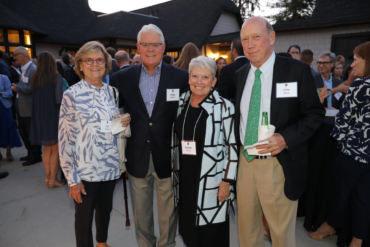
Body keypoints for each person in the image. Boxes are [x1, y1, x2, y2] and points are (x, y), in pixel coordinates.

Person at [235, 17, 325, 247]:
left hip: (278, 162)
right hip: (245, 162)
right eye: (245, 39)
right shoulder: (239, 74)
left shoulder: (297, 71)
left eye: (256, 37)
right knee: (246, 229)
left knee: (280, 234)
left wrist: (286, 138)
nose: (250, 44)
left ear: (271, 37)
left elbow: (314, 114)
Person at [110, 24, 189, 247]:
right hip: (138, 155)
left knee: (168, 212)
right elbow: (116, 110)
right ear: (138, 47)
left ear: (164, 48)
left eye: (155, 44)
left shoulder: (181, 78)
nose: (150, 49)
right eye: (145, 44)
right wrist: (120, 118)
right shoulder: (123, 78)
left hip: (169, 155)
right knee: (141, 214)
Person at [59, 41, 131, 247]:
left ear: (106, 64)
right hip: (85, 169)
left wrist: (122, 121)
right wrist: (72, 178)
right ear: (80, 65)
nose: (95, 64)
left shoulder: (112, 92)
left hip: (109, 165)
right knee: (83, 219)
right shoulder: (71, 95)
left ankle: (102, 242)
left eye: (100, 60)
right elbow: (65, 139)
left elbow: (112, 127)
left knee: (105, 210)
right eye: (88, 60)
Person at [309, 41, 370, 247]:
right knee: (363, 199)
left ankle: (328, 227)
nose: (352, 65)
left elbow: (342, 123)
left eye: (356, 59)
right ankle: (357, 240)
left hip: (352, 152)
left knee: (339, 192)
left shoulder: (361, 86)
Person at [172, 56, 237, 246]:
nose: (199, 82)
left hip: (212, 179)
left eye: (205, 77)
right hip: (185, 177)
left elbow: (233, 147)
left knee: (210, 232)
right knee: (188, 229)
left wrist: (227, 181)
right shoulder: (181, 102)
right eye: (195, 76)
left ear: (214, 81)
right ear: (188, 78)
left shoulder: (224, 107)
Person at [30, 51, 65, 189]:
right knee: (55, 149)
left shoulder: (35, 77)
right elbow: (58, 99)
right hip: (53, 114)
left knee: (47, 149)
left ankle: (48, 177)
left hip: (39, 115)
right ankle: (53, 179)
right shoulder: (56, 77)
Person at [12, 46, 42, 166]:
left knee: (32, 133)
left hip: (29, 107)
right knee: (24, 132)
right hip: (22, 105)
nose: (14, 58)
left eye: (16, 55)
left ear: (24, 55)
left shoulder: (33, 69)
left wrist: (17, 88)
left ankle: (36, 155)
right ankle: (30, 153)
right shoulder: (23, 68)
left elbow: (34, 88)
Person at [217, 37, 249, 104]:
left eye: (230, 49)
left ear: (234, 50)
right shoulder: (254, 66)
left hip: (233, 109)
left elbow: (222, 95)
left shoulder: (227, 69)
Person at [0, 74, 22, 162]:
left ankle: (8, 152)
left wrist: (1, 93)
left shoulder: (3, 78)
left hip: (3, 107)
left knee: (7, 128)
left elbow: (10, 93)